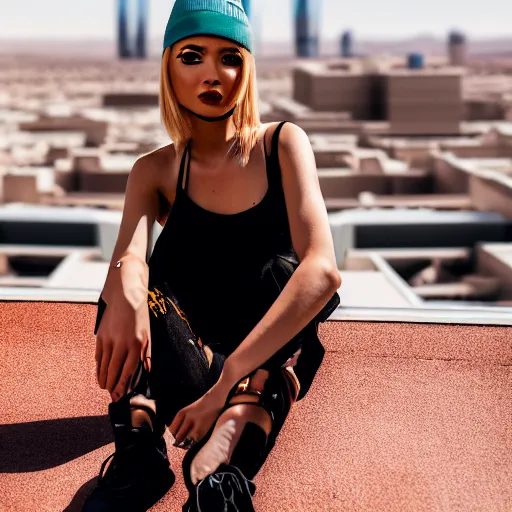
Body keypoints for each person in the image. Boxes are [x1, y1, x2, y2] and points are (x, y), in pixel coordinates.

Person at [82, 0, 341, 511]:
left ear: (246, 70)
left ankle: (220, 482)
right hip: (189, 352)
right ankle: (139, 450)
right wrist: (128, 289)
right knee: (131, 293)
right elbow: (127, 256)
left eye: (230, 58)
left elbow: (322, 272)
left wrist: (225, 384)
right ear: (168, 66)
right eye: (193, 56)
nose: (212, 74)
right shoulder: (154, 171)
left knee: (230, 440)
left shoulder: (283, 145)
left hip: (262, 357)